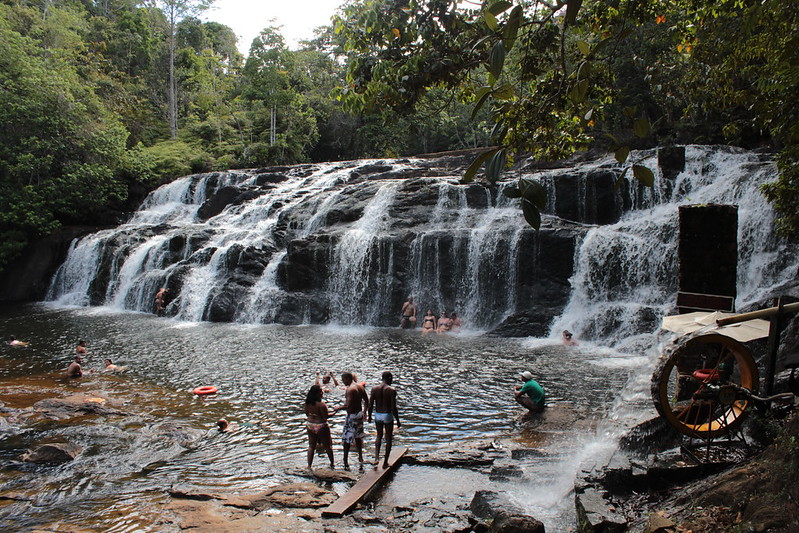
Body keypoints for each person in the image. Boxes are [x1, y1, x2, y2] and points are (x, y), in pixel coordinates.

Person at [368, 371, 401, 469]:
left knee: (379, 435)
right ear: (389, 378)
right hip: (387, 415)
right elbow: (393, 408)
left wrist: (369, 416)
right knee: (388, 438)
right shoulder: (391, 390)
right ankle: (385, 462)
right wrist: (398, 420)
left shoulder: (374, 389)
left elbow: (370, 405)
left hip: (378, 414)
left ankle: (376, 458)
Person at [337, 371, 369, 469]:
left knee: (346, 439)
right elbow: (367, 400)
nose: (343, 382)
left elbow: (348, 405)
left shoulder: (350, 389)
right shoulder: (360, 387)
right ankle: (360, 457)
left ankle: (345, 461)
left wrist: (337, 408)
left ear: (347, 379)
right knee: (358, 437)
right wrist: (364, 412)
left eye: (343, 380)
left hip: (352, 416)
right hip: (359, 414)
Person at [304, 384, 335, 469]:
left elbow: (307, 414)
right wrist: (335, 412)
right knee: (328, 446)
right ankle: (332, 464)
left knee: (311, 446)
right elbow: (326, 417)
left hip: (310, 424)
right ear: (316, 393)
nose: (322, 393)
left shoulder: (307, 403)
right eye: (320, 391)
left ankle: (309, 465)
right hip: (321, 425)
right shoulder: (321, 405)